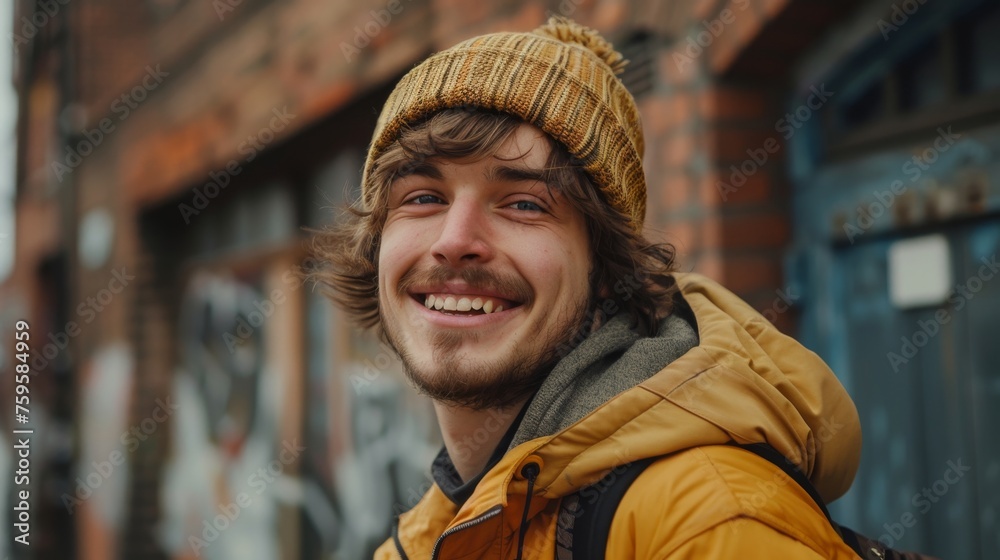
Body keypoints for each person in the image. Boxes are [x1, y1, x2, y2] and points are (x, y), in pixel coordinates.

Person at [310, 16, 863, 559]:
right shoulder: (422, 540)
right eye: (422, 197)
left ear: (607, 273)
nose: (454, 241)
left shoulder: (707, 523)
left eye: (524, 204)